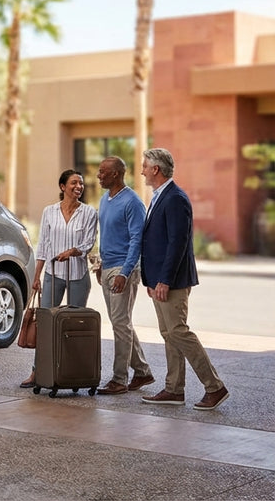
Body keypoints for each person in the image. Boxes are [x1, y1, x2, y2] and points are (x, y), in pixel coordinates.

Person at [138, 148, 229, 410]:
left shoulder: (175, 198)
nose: (142, 170)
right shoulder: (159, 196)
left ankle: (215, 387)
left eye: (145, 166)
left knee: (178, 331)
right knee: (169, 333)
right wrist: (151, 280)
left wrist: (164, 280)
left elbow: (178, 243)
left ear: (156, 169)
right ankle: (174, 389)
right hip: (159, 280)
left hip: (173, 281)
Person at [19, 169, 98, 389]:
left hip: (78, 276)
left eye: (81, 184)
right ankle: (38, 372)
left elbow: (89, 243)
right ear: (63, 187)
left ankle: (71, 372)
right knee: (45, 325)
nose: (78, 187)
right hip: (53, 275)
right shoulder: (49, 212)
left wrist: (72, 251)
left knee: (72, 327)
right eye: (74, 183)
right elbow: (43, 245)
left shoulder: (89, 213)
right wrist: (37, 277)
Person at [93, 156, 154, 395]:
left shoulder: (133, 202)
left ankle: (120, 379)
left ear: (116, 174)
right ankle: (143, 372)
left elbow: (137, 240)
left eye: (103, 172)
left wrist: (125, 272)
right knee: (122, 324)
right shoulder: (105, 200)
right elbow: (106, 234)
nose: (98, 175)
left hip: (124, 269)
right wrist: (100, 263)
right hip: (107, 266)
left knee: (120, 324)